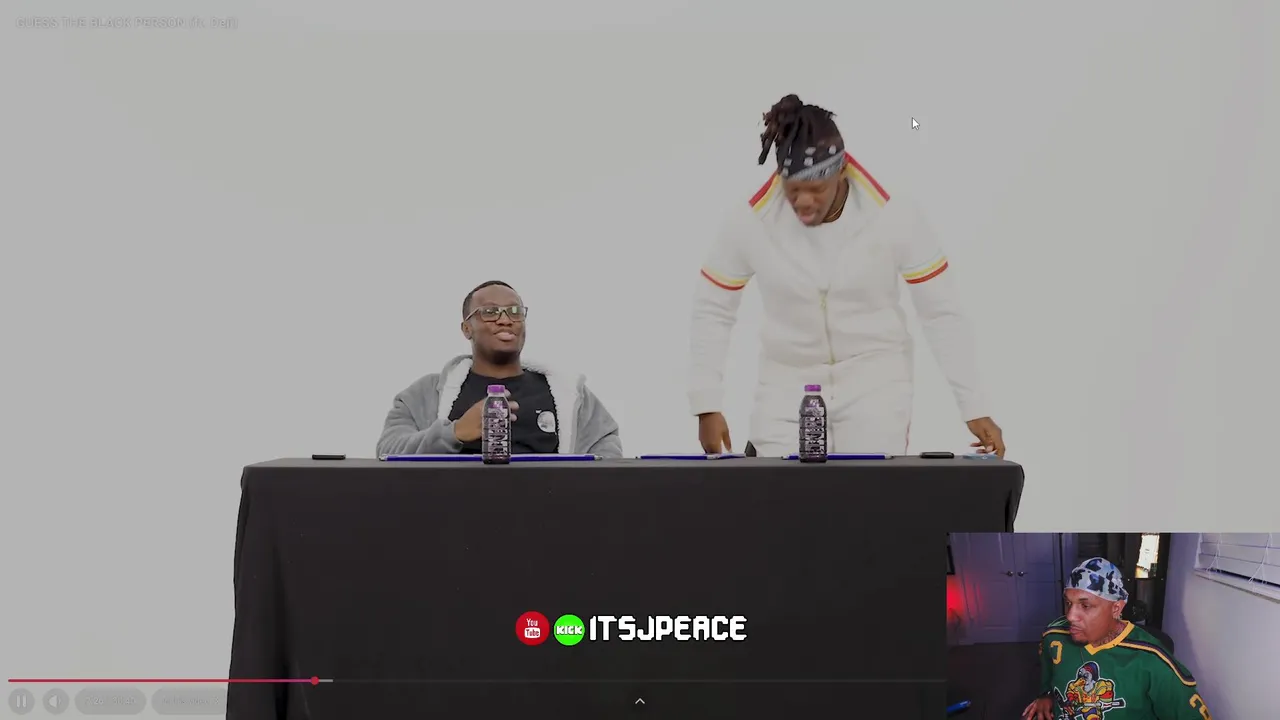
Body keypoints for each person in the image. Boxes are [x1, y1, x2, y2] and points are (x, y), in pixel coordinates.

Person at [688, 94, 1006, 458]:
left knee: (868, 489)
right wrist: (706, 403)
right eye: (793, 189)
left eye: (816, 189)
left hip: (875, 379)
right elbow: (713, 308)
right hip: (786, 381)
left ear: (842, 171)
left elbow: (941, 313)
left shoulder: (895, 213)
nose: (803, 201)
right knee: (778, 487)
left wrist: (973, 406)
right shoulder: (750, 220)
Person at [376, 280, 623, 458]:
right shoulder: (425, 393)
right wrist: (456, 432)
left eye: (515, 312)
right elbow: (388, 452)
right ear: (466, 329)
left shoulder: (569, 394)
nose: (505, 320)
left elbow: (607, 453)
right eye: (490, 312)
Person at [1023, 557, 1214, 720]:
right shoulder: (1053, 635)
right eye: (1068, 603)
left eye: (1085, 606)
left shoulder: (1152, 660)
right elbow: (1049, 670)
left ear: (1116, 609)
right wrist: (1046, 694)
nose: (1071, 616)